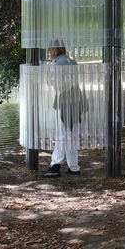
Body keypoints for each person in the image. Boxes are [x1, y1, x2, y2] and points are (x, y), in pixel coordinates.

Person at [40, 40, 87, 178]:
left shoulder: (58, 64)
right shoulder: (72, 61)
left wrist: (51, 82)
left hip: (65, 100)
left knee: (62, 132)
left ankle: (55, 166)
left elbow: (61, 86)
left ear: (54, 50)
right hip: (76, 98)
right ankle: (74, 166)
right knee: (71, 132)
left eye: (50, 50)